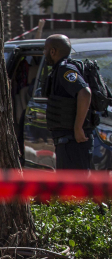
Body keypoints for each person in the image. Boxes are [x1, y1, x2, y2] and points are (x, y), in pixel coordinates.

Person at [43, 34, 94, 170]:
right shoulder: (59, 69)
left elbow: (85, 93)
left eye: (45, 49)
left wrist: (78, 128)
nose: (44, 53)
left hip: (73, 141)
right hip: (67, 141)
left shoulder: (65, 69)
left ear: (53, 51)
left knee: (74, 188)